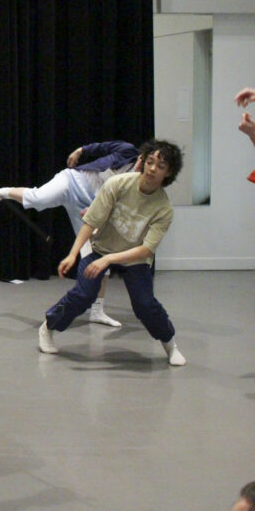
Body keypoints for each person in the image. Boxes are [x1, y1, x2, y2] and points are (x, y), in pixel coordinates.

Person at [38, 139, 187, 367]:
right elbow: (91, 221)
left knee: (145, 304)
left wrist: (109, 260)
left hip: (134, 258)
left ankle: (170, 344)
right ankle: (48, 327)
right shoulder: (118, 184)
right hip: (100, 248)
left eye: (160, 166)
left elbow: (146, 249)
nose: (152, 169)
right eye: (149, 162)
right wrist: (72, 254)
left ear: (169, 173)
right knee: (83, 295)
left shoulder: (163, 209)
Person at [0, 140, 141, 327]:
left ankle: (97, 311)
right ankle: (1, 193)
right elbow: (101, 147)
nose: (141, 166)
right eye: (143, 160)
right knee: (38, 198)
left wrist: (96, 211)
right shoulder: (128, 151)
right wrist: (79, 150)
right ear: (142, 156)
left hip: (91, 206)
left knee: (98, 257)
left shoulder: (137, 186)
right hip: (73, 180)